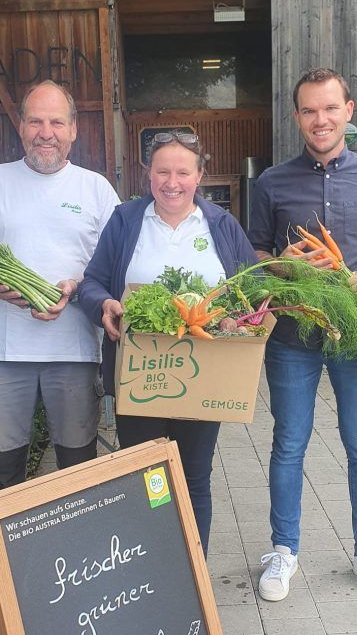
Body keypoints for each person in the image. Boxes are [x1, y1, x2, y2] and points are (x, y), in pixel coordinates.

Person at [249, 68, 357, 604]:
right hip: (292, 336)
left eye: (329, 109)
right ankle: (283, 550)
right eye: (308, 111)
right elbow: (253, 254)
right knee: (288, 443)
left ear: (349, 110)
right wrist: (280, 264)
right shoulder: (271, 182)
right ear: (296, 117)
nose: (319, 120)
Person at [78, 132, 258, 554]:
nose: (171, 182)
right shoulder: (126, 220)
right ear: (148, 174)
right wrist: (104, 304)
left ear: (200, 176)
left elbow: (256, 284)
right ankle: (152, 571)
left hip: (204, 377)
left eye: (182, 172)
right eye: (162, 171)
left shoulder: (220, 225)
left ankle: (193, 575)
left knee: (195, 476)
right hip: (141, 374)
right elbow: (92, 282)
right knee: (146, 475)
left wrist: (239, 317)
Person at [0, 80, 120, 492]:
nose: (47, 132)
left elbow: (117, 266)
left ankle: (77, 553)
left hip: (76, 352)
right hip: (4, 355)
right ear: (22, 127)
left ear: (73, 129)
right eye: (36, 121)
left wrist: (77, 287)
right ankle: (5, 556)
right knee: (2, 469)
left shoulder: (95, 188)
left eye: (57, 122)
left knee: (78, 470)